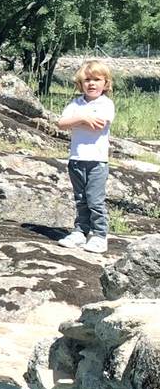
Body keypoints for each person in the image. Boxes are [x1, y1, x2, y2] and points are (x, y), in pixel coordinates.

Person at [57, 60, 116, 254]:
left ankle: (99, 235)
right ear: (80, 83)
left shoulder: (106, 104)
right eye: (87, 80)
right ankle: (80, 231)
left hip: (97, 161)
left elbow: (99, 124)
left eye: (96, 79)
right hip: (76, 159)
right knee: (80, 198)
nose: (91, 83)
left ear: (105, 83)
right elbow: (61, 123)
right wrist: (82, 118)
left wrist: (77, 120)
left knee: (94, 199)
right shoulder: (76, 103)